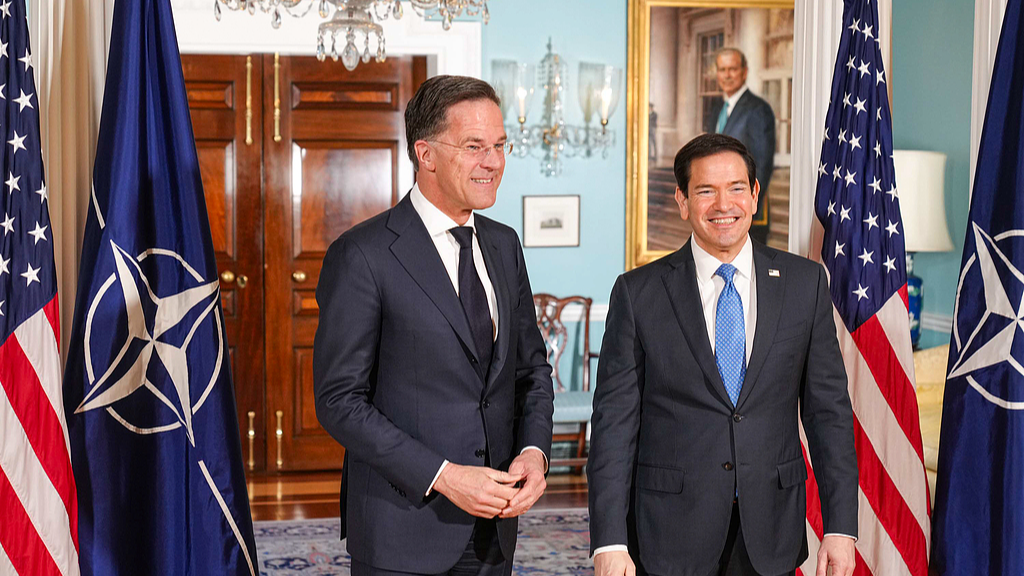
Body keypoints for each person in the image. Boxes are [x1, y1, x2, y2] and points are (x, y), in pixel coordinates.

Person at [313, 75, 555, 576]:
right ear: (426, 154)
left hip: (494, 529)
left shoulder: (505, 245)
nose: (493, 162)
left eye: (499, 146)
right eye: (474, 147)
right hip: (402, 529)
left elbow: (531, 369)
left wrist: (534, 453)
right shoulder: (362, 254)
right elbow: (339, 401)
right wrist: (444, 476)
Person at [588, 134, 858, 576]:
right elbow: (614, 426)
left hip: (771, 529)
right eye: (705, 191)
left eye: (735, 188)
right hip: (669, 531)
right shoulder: (638, 294)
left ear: (754, 196)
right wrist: (609, 540)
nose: (722, 204)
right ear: (682, 200)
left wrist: (840, 528)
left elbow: (829, 414)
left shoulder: (804, 284)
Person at [702, 48, 776, 244]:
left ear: (744, 72)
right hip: (720, 213)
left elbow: (761, 166)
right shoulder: (718, 109)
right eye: (722, 69)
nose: (727, 75)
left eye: (732, 69)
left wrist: (745, 208)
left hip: (745, 217)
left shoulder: (758, 109)